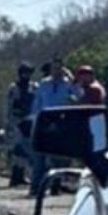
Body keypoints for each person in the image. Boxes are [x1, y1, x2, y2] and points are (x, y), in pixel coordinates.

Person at [30, 55, 76, 196]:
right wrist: (35, 120)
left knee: (58, 159)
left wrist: (73, 81)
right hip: (44, 123)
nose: (56, 71)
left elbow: (79, 97)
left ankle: (56, 186)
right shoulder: (44, 84)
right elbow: (37, 103)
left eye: (59, 68)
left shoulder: (68, 85)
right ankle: (36, 188)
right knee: (40, 158)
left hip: (61, 124)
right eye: (54, 68)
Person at [5, 62, 37, 187]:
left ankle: (21, 175)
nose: (27, 75)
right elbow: (9, 106)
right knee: (19, 148)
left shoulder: (34, 86)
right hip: (17, 121)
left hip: (30, 120)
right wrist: (8, 123)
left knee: (26, 149)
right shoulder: (14, 88)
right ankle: (16, 176)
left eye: (29, 73)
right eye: (25, 72)